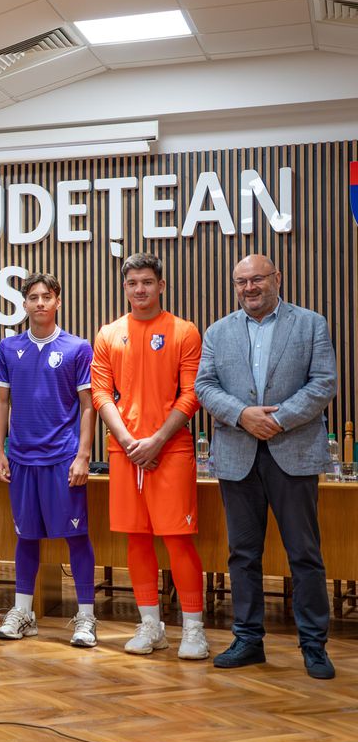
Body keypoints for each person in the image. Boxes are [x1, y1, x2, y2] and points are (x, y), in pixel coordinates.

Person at [195, 254, 337, 679]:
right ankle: (248, 639)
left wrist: (277, 419)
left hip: (293, 451)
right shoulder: (218, 331)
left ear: (278, 278)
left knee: (304, 554)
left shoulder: (310, 324)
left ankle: (313, 645)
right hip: (237, 456)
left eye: (257, 279)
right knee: (242, 554)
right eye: (241, 282)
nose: (249, 288)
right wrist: (243, 415)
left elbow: (324, 382)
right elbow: (204, 385)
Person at [91, 253, 208, 660]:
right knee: (137, 538)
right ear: (124, 288)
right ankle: (150, 626)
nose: (139, 289)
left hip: (171, 450)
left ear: (161, 285)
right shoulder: (109, 334)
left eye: (146, 282)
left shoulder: (184, 331)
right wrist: (128, 441)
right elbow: (100, 392)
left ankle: (193, 630)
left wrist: (157, 440)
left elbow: (192, 394)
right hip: (125, 451)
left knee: (178, 540)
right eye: (132, 283)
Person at [0, 273, 98, 647]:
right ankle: (23, 613)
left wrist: (83, 455)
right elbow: (0, 401)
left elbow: (88, 406)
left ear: (58, 302)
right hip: (21, 458)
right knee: (26, 536)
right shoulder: (8, 347)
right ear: (24, 304)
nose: (40, 303)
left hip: (63, 458)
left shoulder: (77, 348)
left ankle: (86, 617)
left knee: (76, 536)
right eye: (33, 297)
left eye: (46, 296)